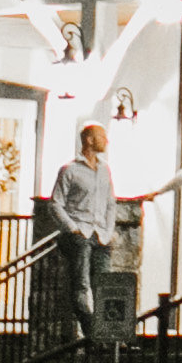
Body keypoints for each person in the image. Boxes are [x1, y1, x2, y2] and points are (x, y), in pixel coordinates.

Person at [49, 123, 120, 347]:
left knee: (105, 286)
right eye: (102, 136)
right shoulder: (70, 170)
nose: (106, 141)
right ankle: (92, 334)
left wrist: (109, 231)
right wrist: (72, 228)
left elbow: (111, 203)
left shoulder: (104, 169)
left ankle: (110, 336)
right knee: (81, 286)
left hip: (100, 235)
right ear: (89, 140)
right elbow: (55, 204)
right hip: (80, 233)